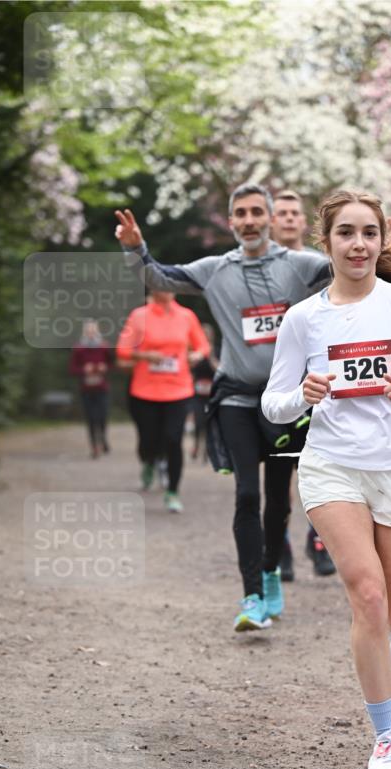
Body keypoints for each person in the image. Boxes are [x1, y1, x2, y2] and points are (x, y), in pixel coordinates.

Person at [262, 190, 391, 769]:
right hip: (333, 467)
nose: (359, 244)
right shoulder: (303, 318)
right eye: (346, 233)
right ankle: (386, 740)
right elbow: (272, 404)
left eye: (369, 233)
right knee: (367, 595)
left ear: (382, 240)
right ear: (325, 243)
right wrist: (301, 394)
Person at [115, 184, 330, 630]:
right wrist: (136, 249)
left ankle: (271, 571)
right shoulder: (215, 270)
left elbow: (352, 267)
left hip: (286, 401)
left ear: (270, 219)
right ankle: (252, 595)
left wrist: (376, 239)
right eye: (240, 213)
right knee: (247, 494)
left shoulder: (299, 266)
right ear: (230, 222)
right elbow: (157, 278)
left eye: (257, 212)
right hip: (235, 397)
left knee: (277, 502)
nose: (249, 220)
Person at [270, 189, 337, 580]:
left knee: (323, 465)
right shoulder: (259, 269)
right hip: (279, 382)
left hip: (323, 382)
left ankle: (319, 540)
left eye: (296, 213)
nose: (290, 219)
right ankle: (281, 548)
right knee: (279, 477)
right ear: (272, 222)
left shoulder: (321, 265)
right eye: (283, 213)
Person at [116, 290, 210, 512]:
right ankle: (148, 461)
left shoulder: (186, 316)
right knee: (148, 439)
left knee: (173, 439)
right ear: (152, 289)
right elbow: (122, 350)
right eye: (159, 285)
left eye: (169, 285)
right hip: (144, 390)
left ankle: (173, 491)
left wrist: (196, 355)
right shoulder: (139, 315)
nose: (165, 290)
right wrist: (145, 356)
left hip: (178, 389)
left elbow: (203, 345)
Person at [69, 320, 113, 458]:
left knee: (102, 416)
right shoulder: (79, 348)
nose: (91, 333)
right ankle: (94, 446)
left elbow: (112, 364)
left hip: (102, 388)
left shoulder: (104, 347)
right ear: (84, 332)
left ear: (97, 331)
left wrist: (104, 367)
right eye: (88, 331)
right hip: (86, 389)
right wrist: (83, 369)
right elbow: (72, 369)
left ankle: (103, 438)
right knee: (90, 418)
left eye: (93, 330)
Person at [191, 324, 219, 462]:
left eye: (208, 334)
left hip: (212, 394)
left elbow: (219, 370)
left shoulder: (217, 351)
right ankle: (196, 444)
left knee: (209, 423)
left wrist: (211, 355)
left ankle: (207, 450)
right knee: (198, 421)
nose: (206, 336)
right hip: (197, 394)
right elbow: (190, 369)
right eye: (204, 334)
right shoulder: (196, 351)